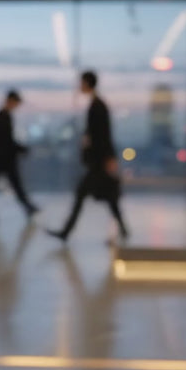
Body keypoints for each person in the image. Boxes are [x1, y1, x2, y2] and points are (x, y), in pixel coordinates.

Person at [47, 71, 129, 242]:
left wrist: (108, 158)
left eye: (81, 83)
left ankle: (66, 232)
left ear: (87, 83)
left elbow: (104, 135)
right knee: (109, 197)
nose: (79, 86)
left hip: (98, 161)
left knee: (83, 193)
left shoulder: (97, 106)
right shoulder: (97, 104)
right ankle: (123, 229)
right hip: (99, 160)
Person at [0, 90, 39, 222]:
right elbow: (6, 140)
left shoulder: (3, 116)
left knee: (1, 185)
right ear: (10, 101)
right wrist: (21, 149)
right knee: (14, 184)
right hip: (4, 159)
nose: (16, 106)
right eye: (16, 103)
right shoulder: (4, 117)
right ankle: (27, 207)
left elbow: (3, 140)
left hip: (1, 159)